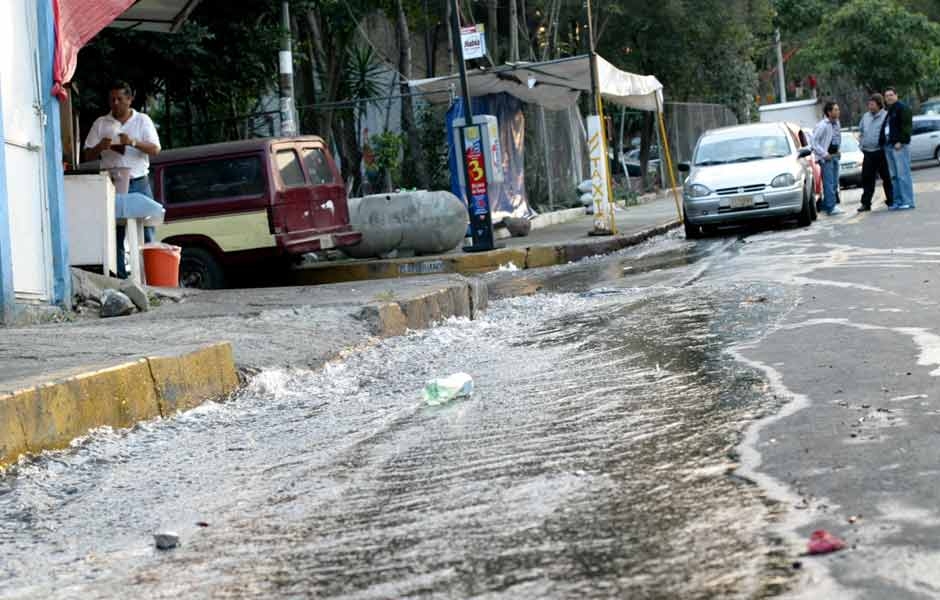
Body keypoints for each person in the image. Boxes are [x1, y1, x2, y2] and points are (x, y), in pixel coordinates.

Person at [83, 81, 162, 278]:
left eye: (120, 99)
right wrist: (100, 146)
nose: (116, 103)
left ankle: (151, 278)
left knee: (147, 231)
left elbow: (156, 149)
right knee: (114, 234)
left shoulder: (142, 120)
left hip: (138, 181)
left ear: (130, 99)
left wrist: (132, 142)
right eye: (112, 99)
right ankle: (120, 279)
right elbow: (86, 156)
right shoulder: (101, 123)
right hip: (112, 183)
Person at [857, 93, 893, 211]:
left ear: (879, 104)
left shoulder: (886, 116)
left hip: (881, 152)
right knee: (867, 178)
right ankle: (866, 203)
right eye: (869, 104)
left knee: (886, 177)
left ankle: (891, 200)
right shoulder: (866, 116)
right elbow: (861, 131)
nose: (870, 107)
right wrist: (862, 144)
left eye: (872, 104)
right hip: (868, 152)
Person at [880, 87, 914, 210]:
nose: (888, 97)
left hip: (899, 146)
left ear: (896, 95)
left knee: (903, 174)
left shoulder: (902, 108)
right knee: (894, 176)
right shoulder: (890, 110)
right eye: (886, 95)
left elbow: (907, 127)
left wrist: (901, 141)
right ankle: (898, 201)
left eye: (891, 95)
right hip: (889, 146)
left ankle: (908, 201)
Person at [812, 101, 843, 215]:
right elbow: (814, 142)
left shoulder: (837, 123)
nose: (838, 112)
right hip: (826, 158)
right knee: (829, 183)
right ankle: (831, 207)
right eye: (835, 110)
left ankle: (827, 204)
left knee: (834, 183)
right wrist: (824, 154)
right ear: (829, 112)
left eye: (838, 109)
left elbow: (837, 138)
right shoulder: (823, 125)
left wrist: (838, 150)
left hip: (834, 156)